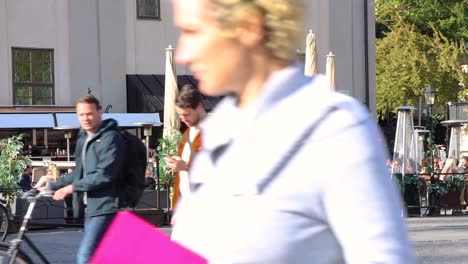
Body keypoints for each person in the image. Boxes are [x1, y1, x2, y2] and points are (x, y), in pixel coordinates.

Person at [169, 0, 414, 263]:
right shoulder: (220, 128)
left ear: (248, 27)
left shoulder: (334, 128)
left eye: (193, 32)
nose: (183, 53)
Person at [42, 95, 125, 264]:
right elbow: (79, 173)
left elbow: (104, 175)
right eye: (81, 115)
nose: (85, 118)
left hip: (106, 207)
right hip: (90, 209)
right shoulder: (83, 138)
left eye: (89, 113)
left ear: (99, 112)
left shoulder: (110, 138)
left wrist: (70, 188)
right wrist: (52, 186)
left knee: (84, 258)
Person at [164, 84, 207, 211]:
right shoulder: (187, 133)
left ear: (199, 107)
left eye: (186, 114)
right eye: (180, 115)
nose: (183, 119)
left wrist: (186, 166)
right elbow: (181, 177)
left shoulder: (214, 132)